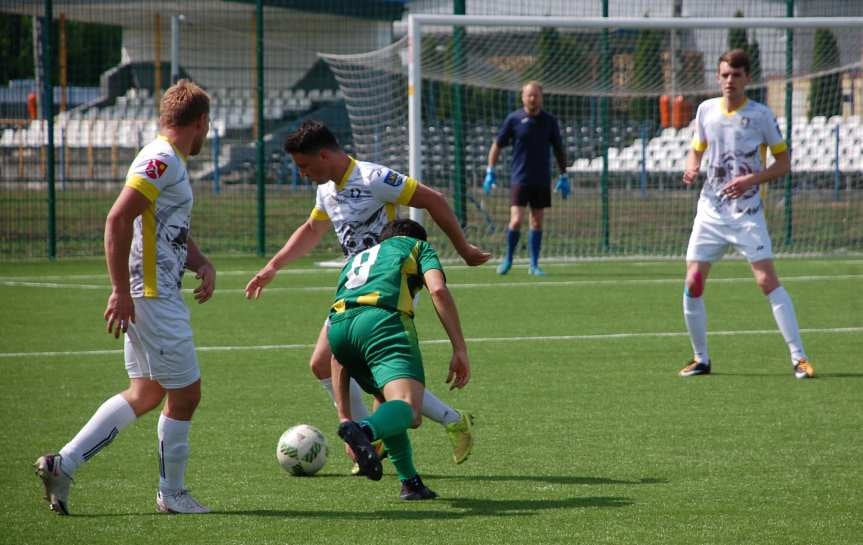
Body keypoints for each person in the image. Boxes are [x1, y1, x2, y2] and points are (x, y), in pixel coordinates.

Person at [244, 120, 489, 471]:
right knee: (330, 367)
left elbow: (432, 198)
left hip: (390, 289)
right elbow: (313, 229)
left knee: (366, 377)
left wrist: (462, 248)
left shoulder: (374, 178)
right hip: (356, 289)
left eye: (305, 166)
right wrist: (273, 267)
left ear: (325, 154)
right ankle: (402, 431)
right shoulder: (326, 190)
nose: (302, 174)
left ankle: (373, 436)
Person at [34, 80, 216, 515]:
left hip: (152, 292)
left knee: (147, 391)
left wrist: (202, 262)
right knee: (186, 394)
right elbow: (118, 219)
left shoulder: (168, 159)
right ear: (202, 123)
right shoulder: (161, 158)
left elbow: (167, 228)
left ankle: (65, 463)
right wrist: (120, 291)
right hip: (151, 295)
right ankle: (171, 495)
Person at [678, 49, 814, 380]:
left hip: (747, 214)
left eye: (735, 75)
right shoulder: (706, 110)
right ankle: (701, 359)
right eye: (724, 75)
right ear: (718, 76)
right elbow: (698, 148)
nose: (729, 81)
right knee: (693, 282)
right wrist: (692, 166)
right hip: (710, 211)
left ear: (747, 78)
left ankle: (799, 358)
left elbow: (783, 164)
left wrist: (751, 179)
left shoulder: (761, 116)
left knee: (766, 281)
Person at [330, 218, 471, 500]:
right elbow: (438, 290)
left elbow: (338, 359)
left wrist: (344, 415)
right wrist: (459, 348)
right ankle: (367, 430)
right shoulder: (418, 247)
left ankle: (410, 483)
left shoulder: (356, 260)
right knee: (409, 409)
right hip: (383, 323)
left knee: (390, 402)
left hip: (338, 329)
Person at [483, 80, 568, 276]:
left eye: (536, 95)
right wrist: (490, 170)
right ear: (522, 97)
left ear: (541, 97)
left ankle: (534, 264)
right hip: (519, 178)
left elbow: (558, 149)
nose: (532, 98)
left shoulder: (549, 121)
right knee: (516, 221)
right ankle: (509, 259)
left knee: (537, 222)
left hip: (541, 179)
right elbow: (497, 145)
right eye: (529, 95)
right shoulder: (514, 119)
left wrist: (564, 175)